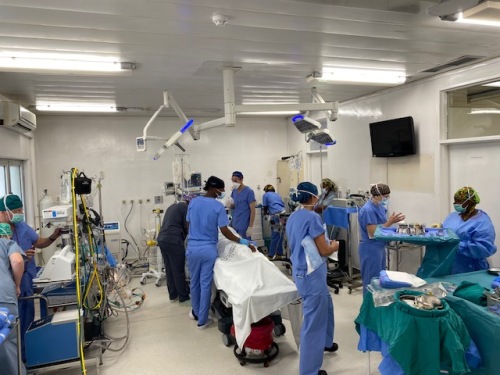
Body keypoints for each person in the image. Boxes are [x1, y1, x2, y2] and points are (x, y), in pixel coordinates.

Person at [186, 176, 255, 330]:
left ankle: (196, 312)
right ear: (213, 188)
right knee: (205, 285)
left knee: (194, 283)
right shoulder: (217, 207)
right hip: (208, 249)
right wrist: (242, 241)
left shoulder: (193, 202)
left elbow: (188, 222)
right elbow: (225, 231)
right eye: (221, 189)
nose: (223, 192)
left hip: (192, 248)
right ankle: (202, 321)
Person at [286, 182, 339, 375]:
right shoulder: (312, 218)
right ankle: (309, 370)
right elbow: (324, 250)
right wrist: (334, 246)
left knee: (327, 304)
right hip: (311, 274)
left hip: (302, 270)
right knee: (313, 320)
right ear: (313, 197)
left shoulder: (293, 216)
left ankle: (325, 342)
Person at [0, 194, 62, 360]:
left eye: (21, 209)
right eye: (17, 210)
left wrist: (53, 237)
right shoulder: (2, 232)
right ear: (4, 212)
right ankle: (16, 360)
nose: (20, 213)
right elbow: (13, 261)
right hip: (9, 285)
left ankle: (27, 355)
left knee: (27, 317)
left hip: (26, 280)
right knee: (11, 325)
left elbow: (37, 242)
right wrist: (20, 256)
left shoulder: (20, 226)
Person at [358, 184, 405, 295]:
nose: (387, 199)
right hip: (370, 249)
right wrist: (390, 222)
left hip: (379, 247)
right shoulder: (368, 210)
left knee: (379, 280)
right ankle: (369, 310)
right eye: (385, 196)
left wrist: (392, 225)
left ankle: (377, 309)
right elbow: (373, 233)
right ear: (377, 195)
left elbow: (381, 225)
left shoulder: (379, 207)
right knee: (371, 281)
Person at [442, 186, 496, 274]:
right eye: (455, 200)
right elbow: (444, 232)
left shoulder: (482, 222)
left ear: (470, 202)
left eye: (459, 201)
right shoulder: (453, 216)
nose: (455, 203)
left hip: (472, 269)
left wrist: (456, 246)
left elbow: (483, 248)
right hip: (450, 267)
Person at [0, 223, 26, 375]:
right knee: (8, 342)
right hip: (4, 296)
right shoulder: (7, 243)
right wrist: (17, 285)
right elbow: (17, 261)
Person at [157, 194, 193, 304]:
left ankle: (173, 295)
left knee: (169, 268)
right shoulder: (185, 208)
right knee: (178, 269)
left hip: (162, 238)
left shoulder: (172, 207)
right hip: (173, 240)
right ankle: (183, 296)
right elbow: (187, 226)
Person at [228, 171, 256, 239]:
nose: (234, 183)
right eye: (232, 181)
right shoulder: (234, 191)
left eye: (235, 180)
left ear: (241, 179)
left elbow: (253, 210)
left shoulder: (249, 192)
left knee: (244, 246)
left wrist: (250, 227)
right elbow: (234, 206)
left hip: (244, 225)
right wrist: (230, 205)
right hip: (234, 223)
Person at [262, 184, 285, 259]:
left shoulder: (265, 195)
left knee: (274, 235)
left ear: (266, 190)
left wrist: (265, 214)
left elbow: (265, 207)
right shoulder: (277, 195)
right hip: (283, 214)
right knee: (280, 235)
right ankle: (279, 253)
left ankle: (271, 255)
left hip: (275, 216)